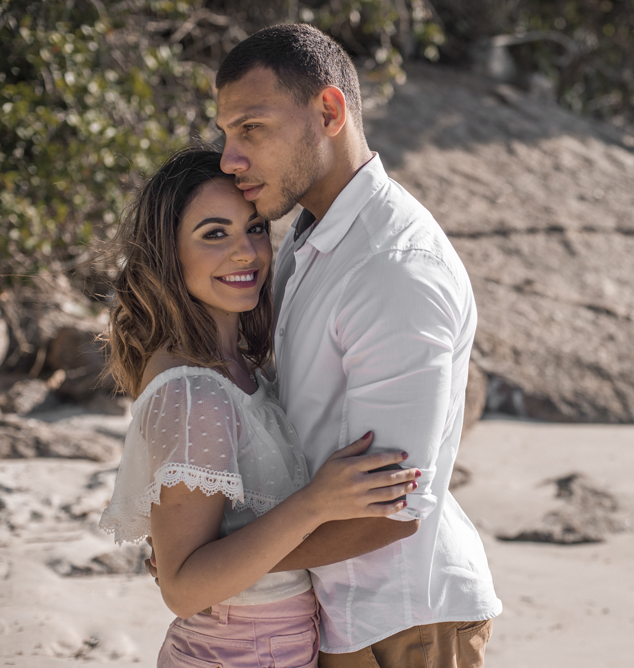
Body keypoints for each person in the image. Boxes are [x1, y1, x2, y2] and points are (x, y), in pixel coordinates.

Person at [212, 23, 502, 668]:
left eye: (251, 129)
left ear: (329, 110)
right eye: (226, 134)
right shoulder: (311, 235)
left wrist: (217, 565)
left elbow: (395, 510)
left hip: (402, 620)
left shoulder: (393, 266)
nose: (230, 159)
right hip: (340, 610)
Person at [98, 146, 421, 668]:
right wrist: (316, 503)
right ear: (168, 253)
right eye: (213, 234)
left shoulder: (240, 368)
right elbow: (182, 589)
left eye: (253, 229)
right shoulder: (193, 393)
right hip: (234, 651)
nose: (246, 252)